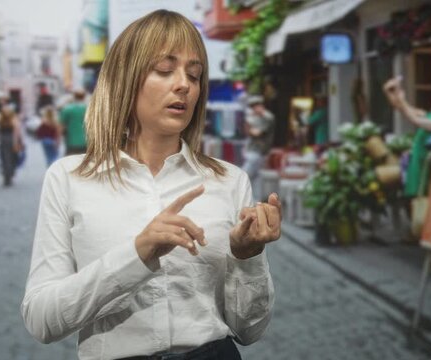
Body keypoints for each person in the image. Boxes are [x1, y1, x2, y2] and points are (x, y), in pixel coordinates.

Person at [21, 10, 282, 360]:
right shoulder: (70, 179)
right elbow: (41, 320)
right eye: (164, 69)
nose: (184, 85)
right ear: (125, 79)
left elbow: (250, 330)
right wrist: (137, 253)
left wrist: (247, 256)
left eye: (194, 74)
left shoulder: (229, 180)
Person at [241, 95, 275, 202]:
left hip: (258, 152)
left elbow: (256, 133)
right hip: (254, 151)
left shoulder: (267, 117)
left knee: (243, 176)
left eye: (254, 106)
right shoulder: (257, 117)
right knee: (256, 178)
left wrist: (248, 127)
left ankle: (243, 200)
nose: (253, 109)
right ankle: (255, 202)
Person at [0, 104, 22, 186]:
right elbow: (16, 132)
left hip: (3, 140)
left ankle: (6, 176)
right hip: (10, 140)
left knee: (4, 158)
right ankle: (9, 175)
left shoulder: (0, 119)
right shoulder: (13, 120)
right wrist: (16, 143)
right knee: (11, 158)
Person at [59, 89, 87, 155]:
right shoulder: (89, 109)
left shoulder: (67, 109)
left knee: (71, 163)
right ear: (84, 97)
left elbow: (61, 126)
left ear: (74, 97)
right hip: (86, 142)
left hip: (72, 142)